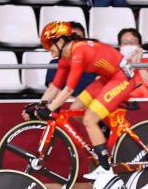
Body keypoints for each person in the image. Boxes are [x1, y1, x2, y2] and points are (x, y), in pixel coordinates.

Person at [37, 21, 137, 178]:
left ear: (61, 41)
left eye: (50, 44)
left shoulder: (79, 51)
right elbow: (54, 88)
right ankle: (107, 138)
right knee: (75, 109)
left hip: (122, 78)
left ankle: (105, 167)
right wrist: (39, 106)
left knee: (89, 119)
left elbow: (69, 89)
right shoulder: (65, 58)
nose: (48, 48)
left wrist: (49, 109)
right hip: (108, 77)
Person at [44, 22, 97, 94]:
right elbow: (53, 91)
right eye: (71, 38)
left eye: (79, 38)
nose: (76, 41)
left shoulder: (95, 62)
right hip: (64, 104)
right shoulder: (54, 64)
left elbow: (99, 87)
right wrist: (75, 102)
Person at [118, 28, 148, 98]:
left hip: (146, 104)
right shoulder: (114, 63)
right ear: (120, 47)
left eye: (133, 42)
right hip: (122, 103)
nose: (129, 45)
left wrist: (139, 64)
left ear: (139, 46)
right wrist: (133, 66)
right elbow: (118, 86)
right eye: (125, 43)